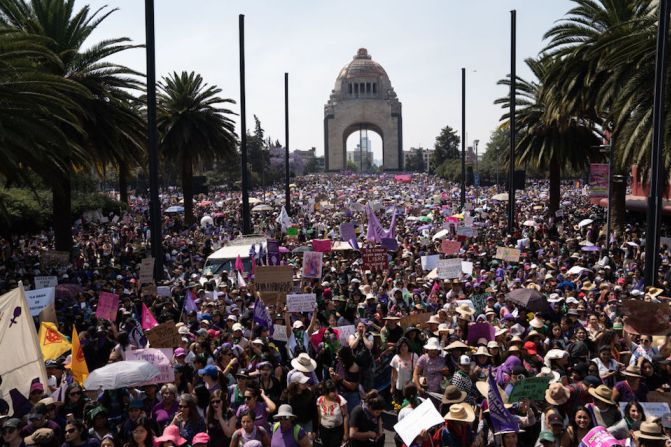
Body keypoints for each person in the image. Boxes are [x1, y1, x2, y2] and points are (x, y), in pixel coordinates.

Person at [316, 380, 348, 447]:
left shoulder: (340, 400)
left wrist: (345, 433)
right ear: (326, 392)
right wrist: (318, 429)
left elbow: (345, 417)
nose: (336, 393)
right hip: (324, 430)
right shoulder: (320, 400)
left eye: (336, 390)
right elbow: (319, 416)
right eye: (333, 391)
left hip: (337, 431)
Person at [389, 338, 418, 403]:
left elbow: (418, 372)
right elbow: (393, 375)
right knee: (400, 406)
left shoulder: (414, 356)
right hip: (400, 388)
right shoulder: (395, 358)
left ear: (408, 346)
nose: (403, 348)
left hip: (411, 387)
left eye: (405, 345)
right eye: (401, 346)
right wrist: (392, 387)